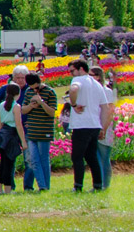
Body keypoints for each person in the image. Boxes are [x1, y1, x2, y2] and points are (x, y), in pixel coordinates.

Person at [67, 58, 110, 192]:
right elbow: (105, 108)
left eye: (72, 71)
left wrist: (73, 105)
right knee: (91, 157)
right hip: (94, 125)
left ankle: (78, 186)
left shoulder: (78, 80)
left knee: (77, 157)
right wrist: (103, 127)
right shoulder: (97, 84)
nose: (71, 74)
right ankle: (97, 185)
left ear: (81, 69)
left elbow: (73, 90)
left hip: (81, 125)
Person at [18, 71, 58, 192]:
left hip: (44, 130)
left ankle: (46, 185)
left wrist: (41, 103)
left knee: (44, 159)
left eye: (36, 87)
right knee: (34, 160)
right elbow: (23, 110)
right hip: (32, 131)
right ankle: (42, 186)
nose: (34, 90)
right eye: (31, 87)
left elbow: (52, 112)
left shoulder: (50, 92)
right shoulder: (28, 92)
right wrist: (31, 106)